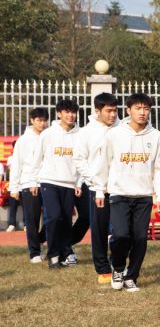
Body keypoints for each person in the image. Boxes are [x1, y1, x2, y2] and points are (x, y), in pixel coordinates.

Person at [93, 93, 160, 292]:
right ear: (128, 110)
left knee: (140, 239)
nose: (142, 113)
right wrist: (100, 190)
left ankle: (131, 276)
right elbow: (104, 164)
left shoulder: (156, 136)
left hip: (143, 196)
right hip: (119, 194)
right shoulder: (114, 134)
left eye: (146, 109)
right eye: (138, 108)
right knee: (120, 235)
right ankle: (118, 268)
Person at [72, 92, 119, 283]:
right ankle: (102, 268)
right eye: (108, 111)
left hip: (120, 188)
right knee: (99, 229)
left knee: (121, 229)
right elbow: (79, 160)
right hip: (96, 189)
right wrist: (95, 178)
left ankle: (118, 262)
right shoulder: (86, 132)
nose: (112, 115)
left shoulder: (122, 128)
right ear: (97, 111)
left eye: (115, 111)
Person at [33, 98, 81, 269]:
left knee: (66, 221)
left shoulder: (80, 134)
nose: (71, 115)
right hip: (49, 181)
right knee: (53, 217)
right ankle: (53, 255)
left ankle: (63, 253)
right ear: (59, 114)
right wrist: (34, 181)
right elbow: (37, 159)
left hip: (69, 184)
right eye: (67, 112)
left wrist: (79, 182)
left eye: (73, 112)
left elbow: (81, 161)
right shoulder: (48, 134)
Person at [8, 108, 48, 263]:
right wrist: (14, 187)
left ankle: (39, 239)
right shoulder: (23, 140)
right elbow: (16, 164)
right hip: (27, 183)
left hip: (47, 182)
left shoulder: (48, 137)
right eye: (39, 120)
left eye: (45, 120)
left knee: (53, 218)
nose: (42, 124)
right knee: (31, 220)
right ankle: (34, 252)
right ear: (32, 120)